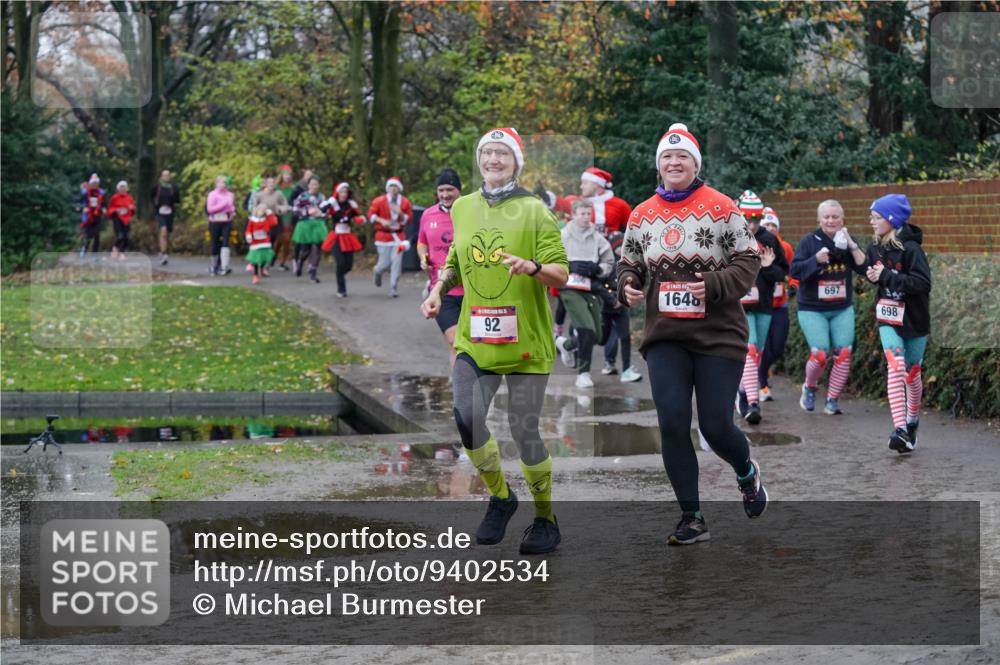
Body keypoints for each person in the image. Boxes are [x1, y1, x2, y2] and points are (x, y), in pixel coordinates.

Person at [617, 123, 767, 546]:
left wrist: (714, 285)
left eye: (682, 157)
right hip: (665, 335)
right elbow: (628, 262)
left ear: (695, 164)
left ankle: (746, 472)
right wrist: (627, 282)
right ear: (659, 165)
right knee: (672, 422)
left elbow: (748, 260)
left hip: (718, 334)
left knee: (717, 426)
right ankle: (692, 516)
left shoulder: (721, 207)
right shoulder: (642, 213)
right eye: (667, 157)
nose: (674, 162)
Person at [420, 127, 568, 555]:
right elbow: (455, 261)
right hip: (476, 338)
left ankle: (545, 518)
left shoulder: (535, 210)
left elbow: (561, 272)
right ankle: (501, 497)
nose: (494, 160)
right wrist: (437, 290)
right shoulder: (462, 207)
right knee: (466, 417)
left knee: (525, 430)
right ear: (479, 160)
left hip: (525, 340)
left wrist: (533, 266)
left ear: (516, 162)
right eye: (487, 153)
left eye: (502, 153)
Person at [864, 194, 930, 453]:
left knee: (912, 373)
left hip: (914, 320)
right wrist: (873, 277)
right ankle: (900, 429)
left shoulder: (912, 249)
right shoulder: (875, 247)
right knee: (896, 362)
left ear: (891, 219)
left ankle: (912, 423)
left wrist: (887, 276)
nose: (871, 221)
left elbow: (923, 284)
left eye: (876, 217)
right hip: (888, 318)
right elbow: (878, 276)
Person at [789, 199, 867, 415]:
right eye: (827, 217)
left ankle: (832, 399)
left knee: (844, 353)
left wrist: (852, 244)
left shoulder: (847, 240)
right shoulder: (808, 241)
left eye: (835, 217)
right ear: (819, 219)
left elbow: (864, 267)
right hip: (812, 308)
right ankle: (810, 387)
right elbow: (794, 271)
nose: (831, 220)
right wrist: (815, 260)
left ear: (842, 219)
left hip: (841, 307)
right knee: (820, 353)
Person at [734, 191, 788, 425]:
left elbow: (782, 272)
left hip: (764, 305)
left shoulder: (768, 239)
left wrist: (766, 267)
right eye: (748, 219)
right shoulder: (728, 237)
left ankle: (743, 392)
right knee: (751, 350)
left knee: (758, 352)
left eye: (756, 220)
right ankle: (753, 404)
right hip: (739, 306)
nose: (753, 225)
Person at [554, 199, 615, 389]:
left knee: (596, 336)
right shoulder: (562, 235)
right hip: (569, 287)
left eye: (589, 214)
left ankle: (566, 345)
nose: (586, 217)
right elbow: (550, 257)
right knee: (586, 329)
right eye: (582, 213)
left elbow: (609, 261)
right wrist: (569, 266)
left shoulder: (597, 237)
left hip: (590, 287)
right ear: (573, 214)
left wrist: (597, 270)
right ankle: (583, 373)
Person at [417, 168, 464, 367]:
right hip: (442, 289)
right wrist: (422, 258)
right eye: (441, 190)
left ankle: (469, 389)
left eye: (450, 190)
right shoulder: (428, 215)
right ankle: (460, 393)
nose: (445, 195)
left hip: (471, 288)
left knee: (470, 345)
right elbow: (421, 242)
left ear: (459, 190)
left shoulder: (470, 213)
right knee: (455, 340)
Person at [758, 207, 796, 401]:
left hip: (779, 304)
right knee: (760, 347)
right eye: (767, 224)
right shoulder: (755, 244)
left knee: (777, 347)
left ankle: (761, 372)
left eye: (774, 224)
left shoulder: (786, 248)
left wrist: (794, 285)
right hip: (760, 304)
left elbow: (790, 270)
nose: (771, 228)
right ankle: (762, 384)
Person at [600, 228, 642, 383]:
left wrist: (624, 297)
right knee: (602, 337)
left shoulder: (628, 262)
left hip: (622, 305)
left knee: (624, 336)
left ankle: (626, 369)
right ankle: (607, 363)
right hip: (606, 305)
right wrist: (613, 299)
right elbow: (600, 283)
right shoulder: (607, 262)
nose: (621, 249)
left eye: (624, 245)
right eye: (619, 246)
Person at [368, 177, 414, 298]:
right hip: (383, 236)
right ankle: (377, 272)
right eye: (391, 186)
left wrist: (400, 213)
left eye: (396, 186)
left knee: (396, 263)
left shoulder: (404, 202)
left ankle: (393, 287)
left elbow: (409, 219)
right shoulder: (379, 201)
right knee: (385, 264)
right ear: (388, 188)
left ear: (399, 188)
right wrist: (381, 220)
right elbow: (371, 215)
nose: (393, 188)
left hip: (398, 237)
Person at [322, 182, 365, 297]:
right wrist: (329, 203)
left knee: (348, 265)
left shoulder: (351, 205)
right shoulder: (332, 204)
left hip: (348, 236)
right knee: (340, 262)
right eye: (341, 191)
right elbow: (322, 211)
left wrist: (359, 220)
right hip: (336, 236)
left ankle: (339, 274)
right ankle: (341, 289)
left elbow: (357, 215)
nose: (344, 194)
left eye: (345, 192)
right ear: (337, 192)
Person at [250, 175, 290, 277]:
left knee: (272, 243)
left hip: (275, 220)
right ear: (266, 184)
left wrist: (280, 209)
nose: (271, 185)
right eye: (269, 183)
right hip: (263, 221)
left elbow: (285, 205)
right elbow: (253, 207)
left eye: (273, 183)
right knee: (264, 242)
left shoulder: (278, 194)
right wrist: (257, 213)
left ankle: (265, 266)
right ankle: (259, 264)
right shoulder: (259, 195)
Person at [292, 176, 329, 283]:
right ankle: (300, 262)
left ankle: (313, 272)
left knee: (317, 247)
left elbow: (326, 209)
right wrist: (306, 212)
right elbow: (295, 209)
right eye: (312, 184)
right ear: (308, 185)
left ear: (319, 185)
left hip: (317, 224)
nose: (314, 186)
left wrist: (321, 213)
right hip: (305, 223)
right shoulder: (303, 196)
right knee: (306, 248)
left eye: (316, 184)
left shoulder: (321, 197)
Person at [580, 167, 632, 235]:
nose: (581, 186)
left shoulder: (620, 205)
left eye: (585, 183)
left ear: (596, 184)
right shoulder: (577, 203)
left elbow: (635, 229)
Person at [205, 175, 236, 275]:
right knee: (215, 243)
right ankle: (214, 265)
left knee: (225, 242)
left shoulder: (230, 194)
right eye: (221, 182)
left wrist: (232, 211)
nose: (223, 184)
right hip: (214, 221)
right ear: (216, 183)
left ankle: (224, 266)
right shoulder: (212, 194)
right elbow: (210, 209)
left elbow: (231, 207)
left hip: (226, 221)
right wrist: (223, 205)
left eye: (225, 183)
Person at [151, 169, 180, 266]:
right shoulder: (157, 187)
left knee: (167, 233)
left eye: (168, 175)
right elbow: (151, 197)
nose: (166, 177)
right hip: (160, 213)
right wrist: (156, 207)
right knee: (163, 231)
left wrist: (173, 206)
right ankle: (163, 253)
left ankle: (164, 250)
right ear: (161, 177)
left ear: (170, 177)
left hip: (170, 213)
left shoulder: (174, 188)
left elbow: (177, 201)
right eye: (164, 175)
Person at [244, 204, 278, 285]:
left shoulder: (266, 219)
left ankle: (262, 269)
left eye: (263, 211)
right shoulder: (252, 220)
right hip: (255, 241)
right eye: (260, 210)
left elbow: (274, 223)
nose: (261, 212)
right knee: (256, 259)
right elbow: (248, 229)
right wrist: (249, 236)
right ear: (256, 211)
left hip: (265, 241)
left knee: (264, 257)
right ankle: (255, 275)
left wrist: (270, 214)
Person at [273, 165, 297, 270]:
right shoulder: (276, 188)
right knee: (278, 239)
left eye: (289, 175)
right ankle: (272, 258)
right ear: (282, 175)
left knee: (287, 239)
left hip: (289, 215)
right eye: (285, 174)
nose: (287, 177)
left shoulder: (293, 188)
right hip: (278, 215)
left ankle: (282, 262)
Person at [107, 180, 136, 261]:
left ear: (126, 189)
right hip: (117, 218)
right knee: (120, 235)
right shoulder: (114, 197)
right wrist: (116, 210)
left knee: (126, 236)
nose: (122, 189)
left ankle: (121, 252)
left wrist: (132, 208)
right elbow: (110, 208)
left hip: (127, 219)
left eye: (124, 188)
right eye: (121, 188)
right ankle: (116, 249)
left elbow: (132, 208)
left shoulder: (129, 198)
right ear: (118, 189)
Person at [78, 174, 105, 259]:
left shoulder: (101, 193)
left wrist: (104, 208)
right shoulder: (85, 192)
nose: (94, 185)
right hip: (88, 217)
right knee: (88, 235)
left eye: (96, 183)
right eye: (93, 183)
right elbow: (79, 203)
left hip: (97, 216)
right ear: (90, 184)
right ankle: (84, 249)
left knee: (97, 236)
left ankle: (95, 254)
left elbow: (104, 203)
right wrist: (82, 208)